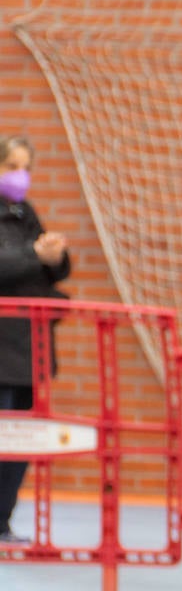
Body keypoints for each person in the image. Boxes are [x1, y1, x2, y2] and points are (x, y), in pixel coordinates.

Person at [0, 135, 71, 546]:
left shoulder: (25, 212)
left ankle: (2, 521)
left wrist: (54, 255)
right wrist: (33, 258)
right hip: (2, 353)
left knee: (20, 444)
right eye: (11, 165)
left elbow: (52, 272)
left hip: (28, 350)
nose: (19, 176)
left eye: (25, 167)